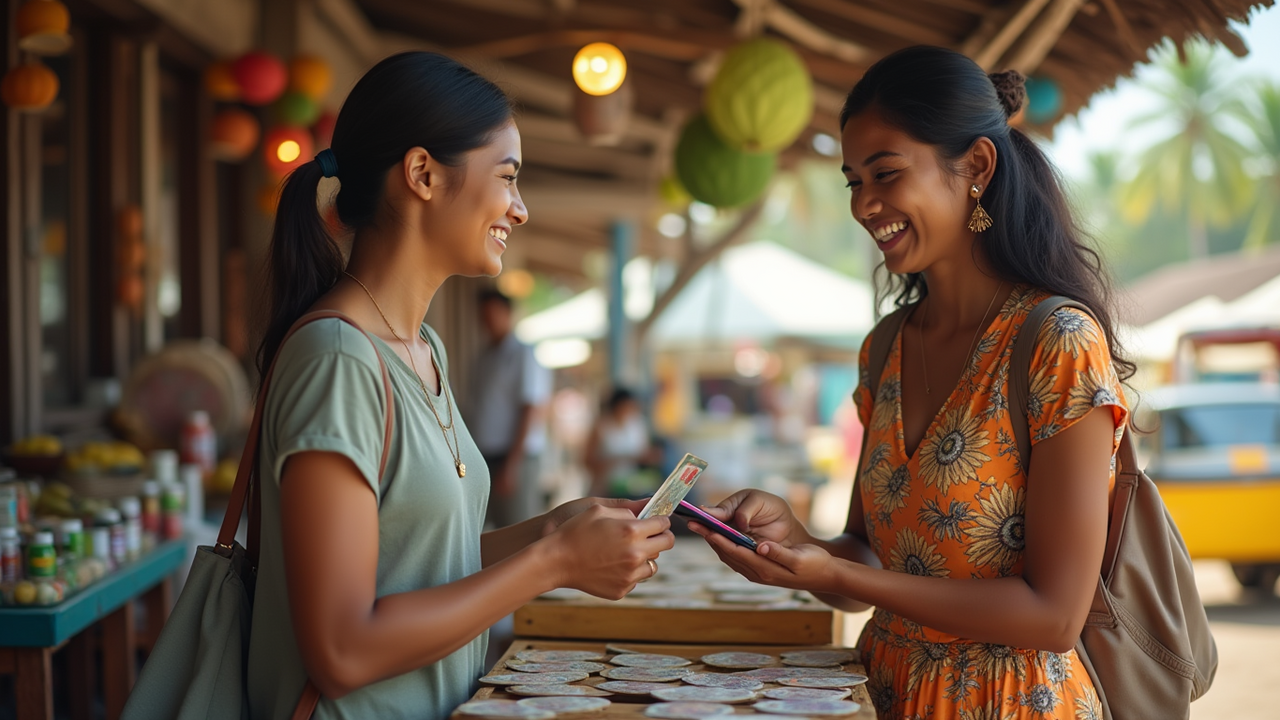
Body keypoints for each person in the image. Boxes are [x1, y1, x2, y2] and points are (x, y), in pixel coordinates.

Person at [687, 46, 1132, 720]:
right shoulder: (885, 348)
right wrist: (796, 541)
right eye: (853, 181)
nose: (866, 205)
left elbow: (1055, 615)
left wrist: (838, 572)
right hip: (883, 693)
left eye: (886, 174)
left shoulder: (1055, 341)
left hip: (1011, 704)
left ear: (976, 167)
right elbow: (869, 560)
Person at [248, 52, 673, 720]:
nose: (521, 209)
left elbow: (423, 562)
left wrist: (552, 529)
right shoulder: (337, 360)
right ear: (421, 174)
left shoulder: (426, 351)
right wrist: (555, 563)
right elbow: (341, 650)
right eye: (508, 178)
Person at [467, 288, 551, 528]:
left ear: (507, 314)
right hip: (486, 456)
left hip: (515, 457)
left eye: (493, 314)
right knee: (492, 529)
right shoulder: (483, 357)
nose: (487, 321)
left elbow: (530, 409)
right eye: (483, 315)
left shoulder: (522, 355)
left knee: (518, 529)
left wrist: (512, 465)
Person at [584, 388, 659, 498]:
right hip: (606, 488)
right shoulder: (601, 427)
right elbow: (587, 461)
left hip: (633, 486)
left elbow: (645, 452)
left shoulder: (637, 424)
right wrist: (618, 460)